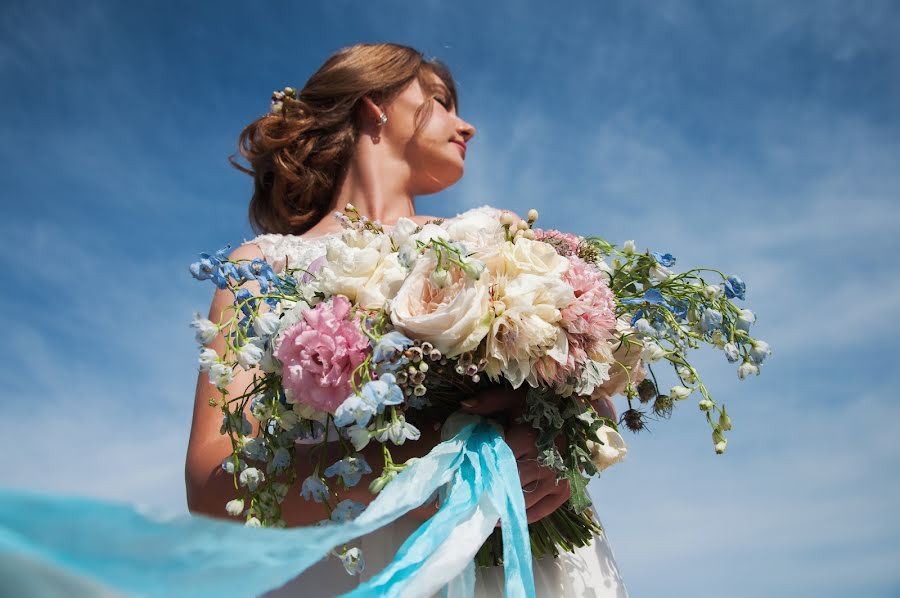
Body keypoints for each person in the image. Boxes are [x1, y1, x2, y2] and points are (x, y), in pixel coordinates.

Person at [185, 42, 635, 597]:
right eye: (442, 101)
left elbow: (591, 390)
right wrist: (421, 468)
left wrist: (561, 443)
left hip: (523, 562)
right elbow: (211, 485)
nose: (466, 126)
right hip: (354, 570)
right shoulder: (260, 269)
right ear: (375, 102)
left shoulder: (496, 238)